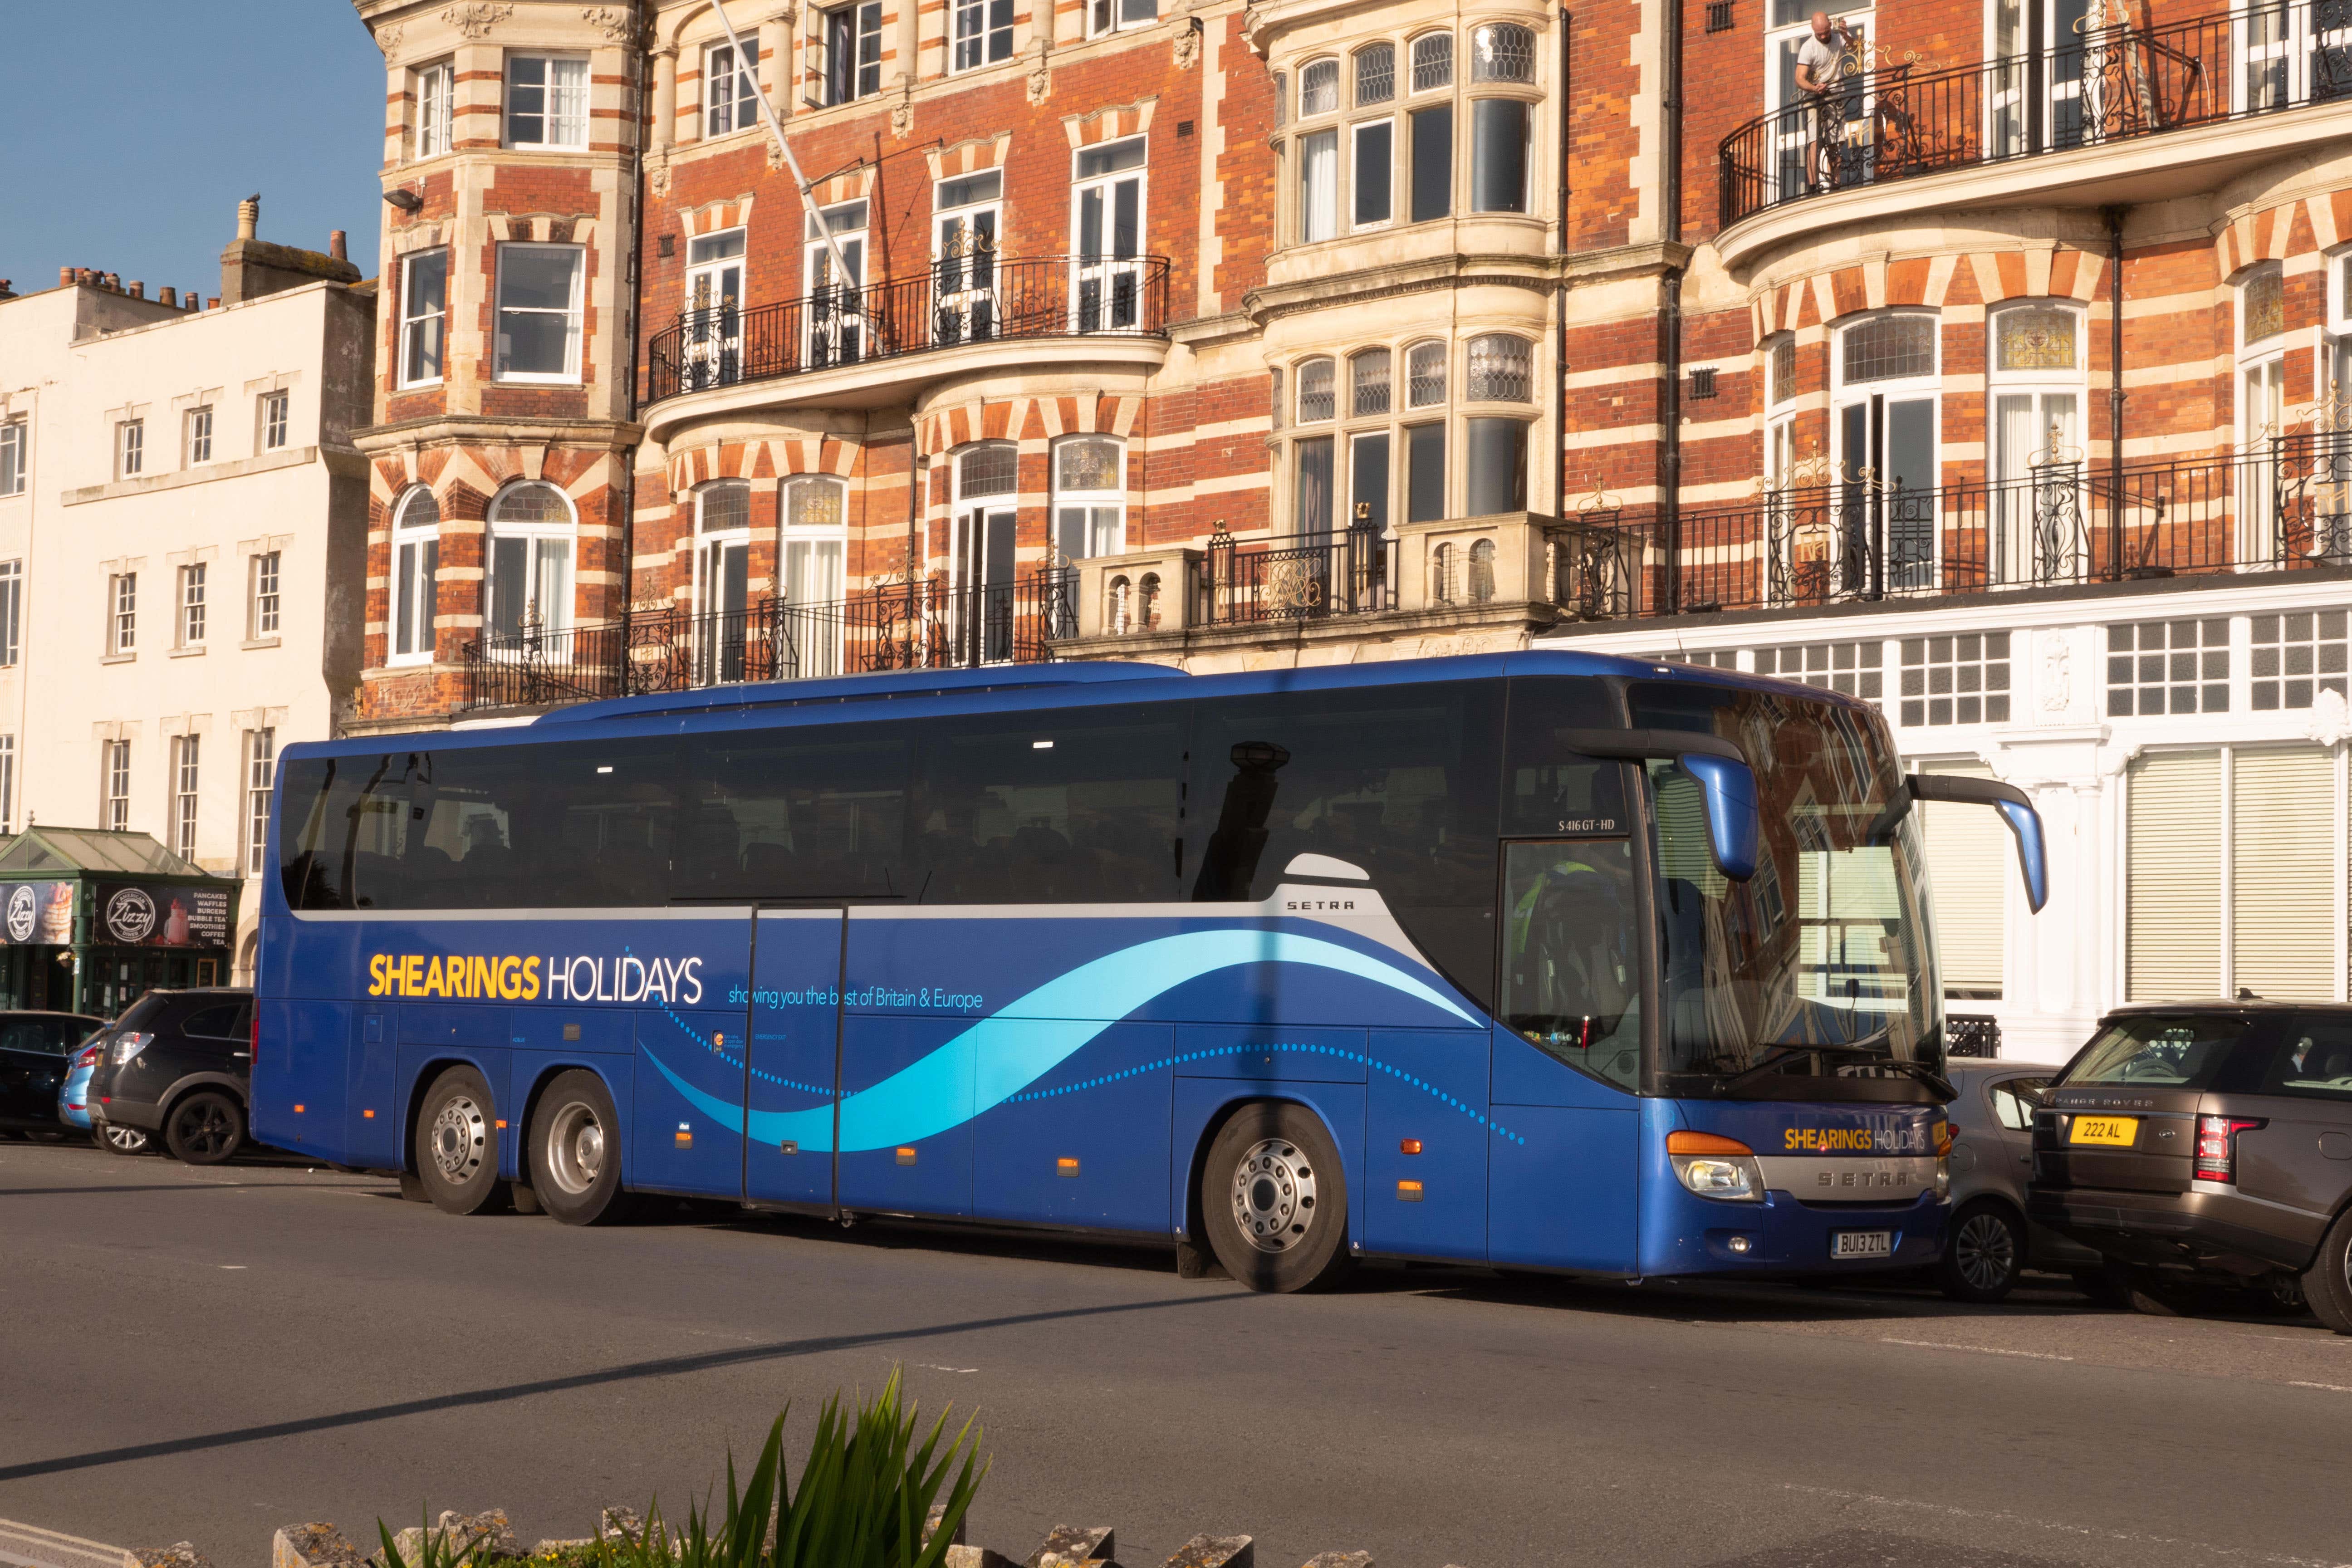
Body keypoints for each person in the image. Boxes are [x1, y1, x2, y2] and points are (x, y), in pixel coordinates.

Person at [1793, 11, 1859, 191]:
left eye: (1825, 32)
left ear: (1831, 25)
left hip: (1836, 95)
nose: (1823, 36)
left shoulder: (1839, 36)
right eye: (1819, 33)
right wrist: (1814, 88)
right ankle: (1813, 186)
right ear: (1813, 30)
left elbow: (1856, 50)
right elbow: (1799, 78)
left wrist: (1846, 34)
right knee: (1814, 140)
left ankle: (1835, 184)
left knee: (1836, 141)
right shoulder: (1809, 47)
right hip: (1815, 97)